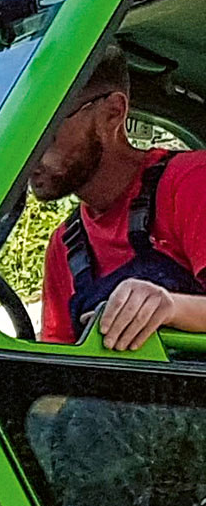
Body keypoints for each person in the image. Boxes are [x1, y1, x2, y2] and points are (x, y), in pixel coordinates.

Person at [32, 43, 206, 350]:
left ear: (113, 112)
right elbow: (59, 369)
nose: (28, 153)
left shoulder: (192, 181)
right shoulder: (65, 246)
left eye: (45, 127)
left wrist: (173, 308)